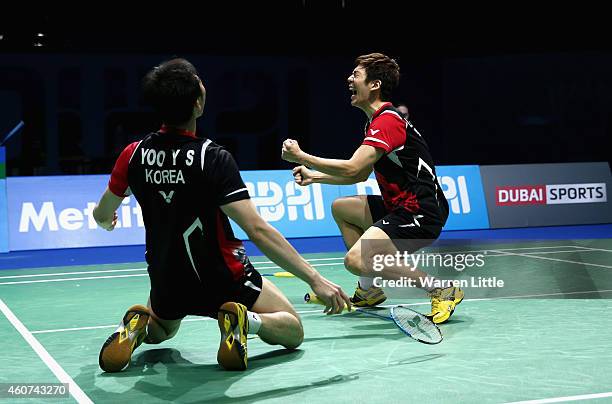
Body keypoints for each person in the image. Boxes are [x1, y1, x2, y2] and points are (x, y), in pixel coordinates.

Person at [93, 58, 350, 373]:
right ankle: (245, 321)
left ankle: (135, 330)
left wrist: (108, 221)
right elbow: (257, 229)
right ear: (197, 104)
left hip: (167, 277)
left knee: (161, 330)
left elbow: (102, 214)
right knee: (292, 329)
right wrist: (316, 279)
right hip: (222, 276)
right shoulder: (211, 157)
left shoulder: (133, 155)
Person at [281, 53, 463, 324]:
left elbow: (353, 168)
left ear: (375, 84)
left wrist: (302, 156)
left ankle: (441, 290)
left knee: (355, 260)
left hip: (421, 211)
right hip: (400, 206)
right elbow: (361, 174)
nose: (349, 79)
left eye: (356, 75)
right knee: (342, 208)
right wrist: (314, 177)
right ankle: (369, 290)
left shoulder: (388, 121)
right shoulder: (375, 121)